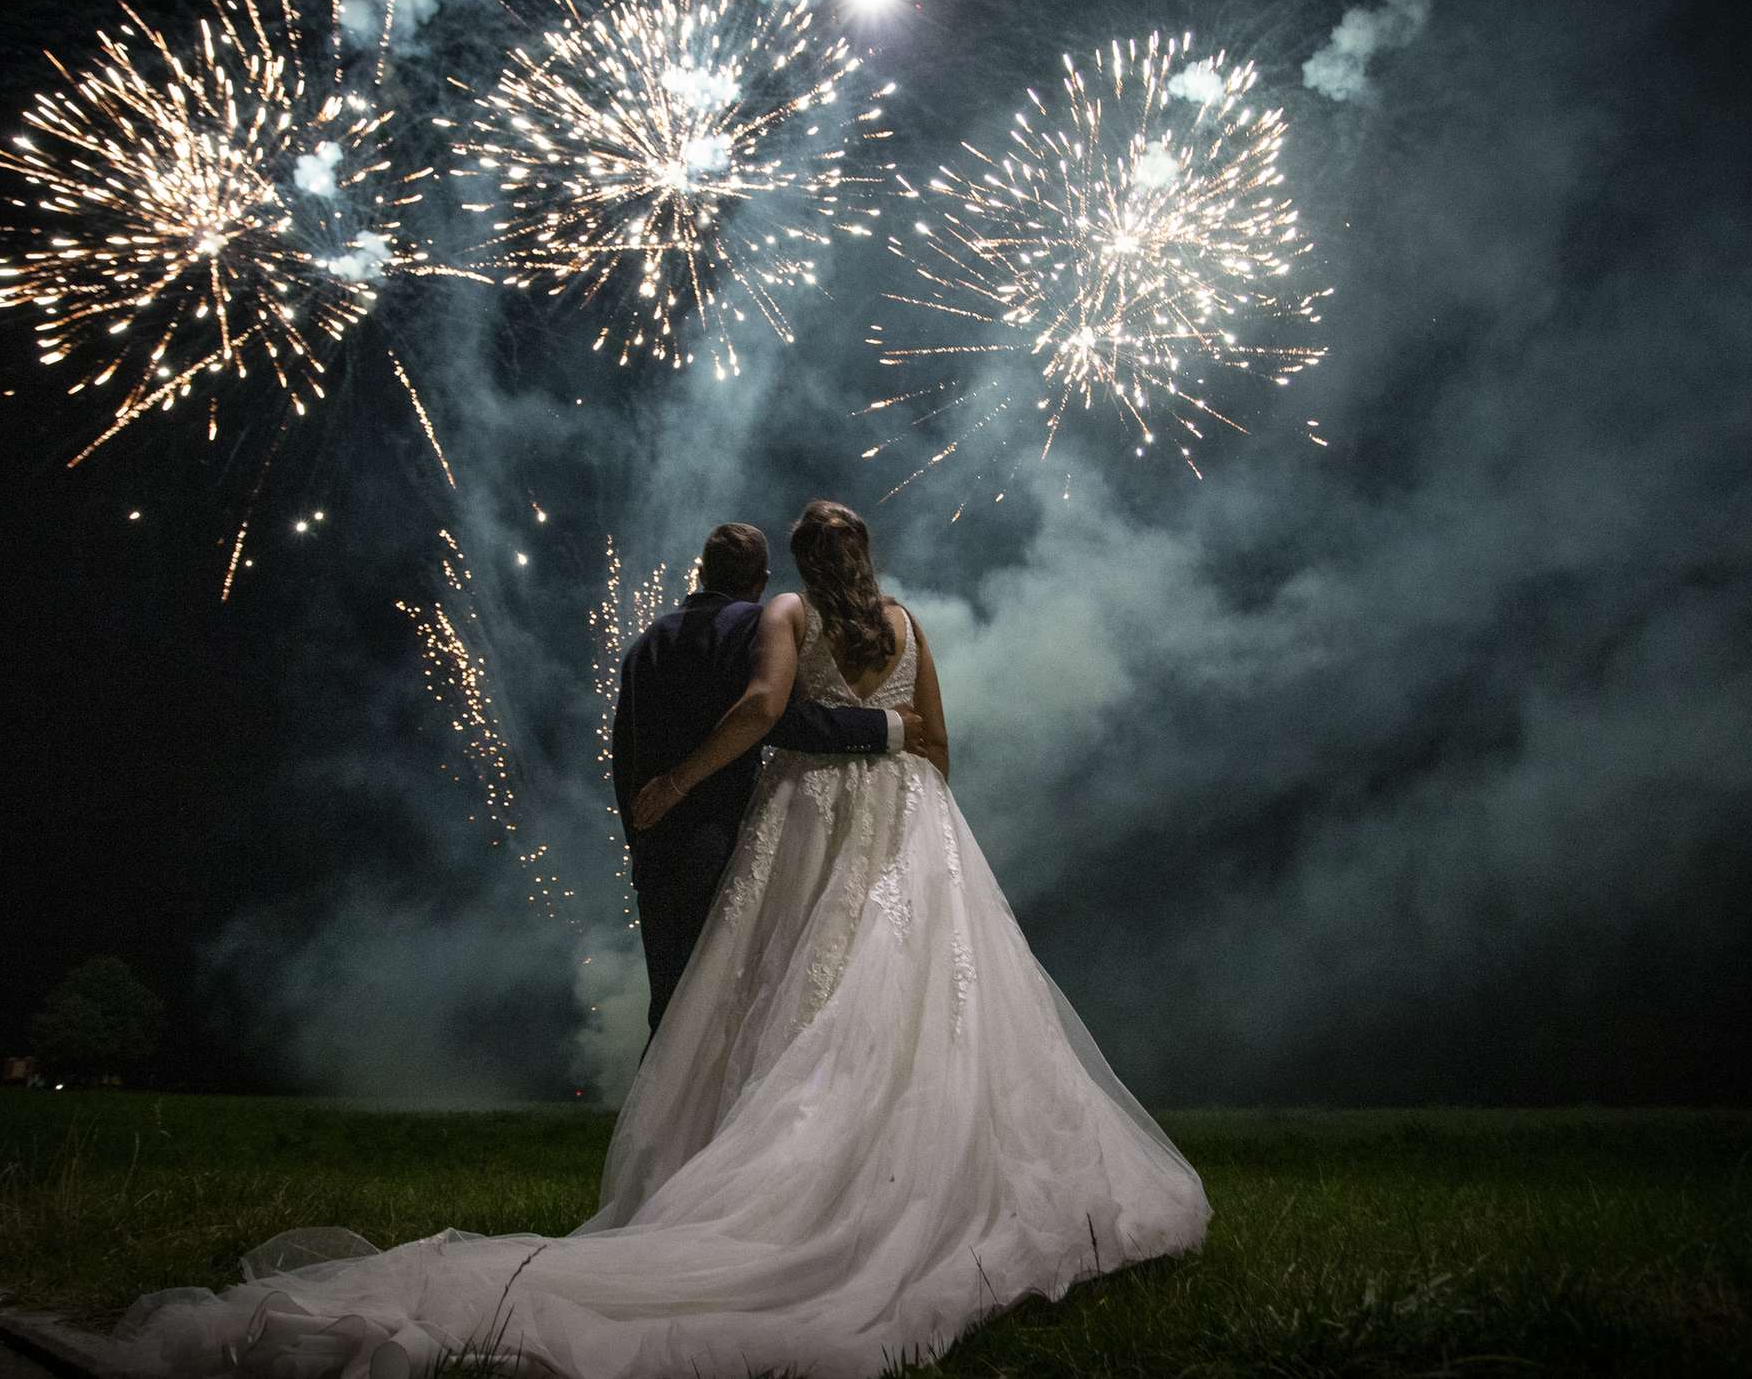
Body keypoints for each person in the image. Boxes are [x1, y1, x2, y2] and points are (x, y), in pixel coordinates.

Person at [111, 500, 1210, 1379]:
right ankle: (910, 1155)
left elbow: (766, 711)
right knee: (913, 982)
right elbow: (937, 740)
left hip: (812, 812)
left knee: (788, 981)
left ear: (797, 557)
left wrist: (680, 777)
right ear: (867, 551)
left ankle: (768, 1160)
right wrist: (925, 814)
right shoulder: (910, 622)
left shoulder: (786, 613)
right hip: (910, 814)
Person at [610, 521, 922, 1038]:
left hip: (658, 845)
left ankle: (658, 1117)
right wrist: (885, 724)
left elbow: (626, 751)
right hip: (727, 834)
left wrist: (640, 833)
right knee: (727, 1003)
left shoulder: (648, 642)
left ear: (701, 571)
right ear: (761, 580)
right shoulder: (758, 625)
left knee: (669, 1007)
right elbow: (779, 717)